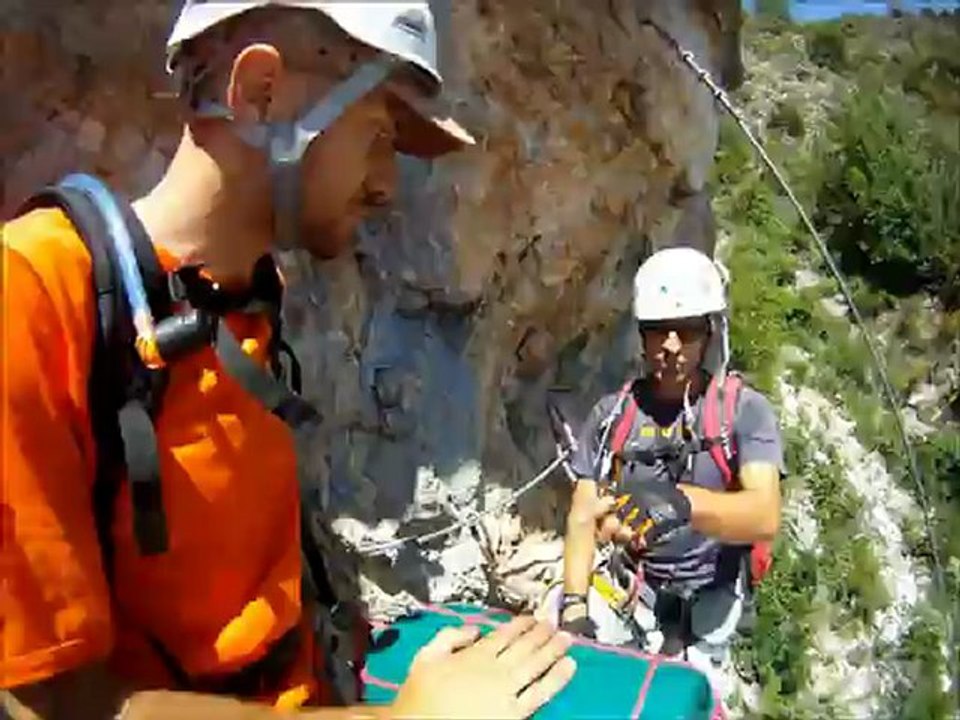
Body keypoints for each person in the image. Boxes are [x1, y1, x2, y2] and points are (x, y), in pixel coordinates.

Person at [0, 2, 576, 719]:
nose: (385, 185)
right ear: (261, 94)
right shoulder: (34, 292)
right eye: (376, 135)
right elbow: (50, 704)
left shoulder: (245, 298)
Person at [556, 246, 783, 685]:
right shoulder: (613, 416)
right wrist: (574, 606)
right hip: (639, 586)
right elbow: (582, 513)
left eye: (687, 330)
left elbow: (764, 516)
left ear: (708, 333)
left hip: (712, 591)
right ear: (642, 335)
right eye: (659, 331)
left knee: (689, 695)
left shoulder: (742, 411)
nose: (672, 346)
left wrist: (681, 503)